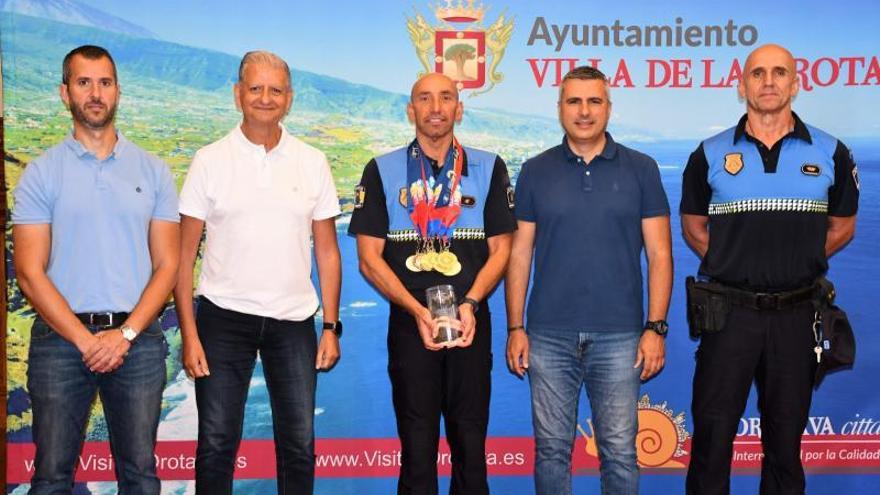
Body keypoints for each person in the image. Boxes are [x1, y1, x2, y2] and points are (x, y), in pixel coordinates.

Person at [681, 44, 859, 495]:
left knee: (785, 443)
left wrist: (796, 262)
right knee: (712, 441)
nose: (768, 82)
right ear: (742, 86)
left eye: (779, 72)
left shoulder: (832, 152)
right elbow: (693, 227)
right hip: (729, 316)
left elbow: (842, 227)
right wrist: (734, 265)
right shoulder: (709, 153)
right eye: (757, 73)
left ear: (795, 84)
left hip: (797, 317)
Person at [12, 45, 180, 495]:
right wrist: (86, 341)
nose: (95, 93)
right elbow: (29, 272)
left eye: (104, 83)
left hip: (137, 342)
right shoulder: (41, 174)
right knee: (50, 479)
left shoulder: (155, 170)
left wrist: (124, 335)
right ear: (64, 93)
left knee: (141, 478)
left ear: (118, 92)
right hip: (60, 344)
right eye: (83, 83)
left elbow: (168, 265)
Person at [174, 50, 342, 495]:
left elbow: (327, 252)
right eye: (255, 88)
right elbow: (183, 254)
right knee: (215, 444)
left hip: (294, 323)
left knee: (300, 446)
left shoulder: (313, 161)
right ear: (237, 95)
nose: (265, 98)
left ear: (289, 98)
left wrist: (330, 326)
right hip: (222, 320)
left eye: (275, 90)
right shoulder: (209, 160)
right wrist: (189, 334)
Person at [505, 65, 672, 495]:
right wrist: (515, 327)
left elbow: (660, 254)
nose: (584, 111)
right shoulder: (535, 171)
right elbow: (519, 253)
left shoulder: (642, 168)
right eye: (574, 101)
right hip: (547, 335)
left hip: (621, 336)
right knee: (551, 451)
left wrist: (655, 328)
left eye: (594, 101)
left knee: (618, 452)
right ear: (560, 108)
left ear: (608, 108)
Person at [348, 72, 515, 495]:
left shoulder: (490, 167)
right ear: (411, 110)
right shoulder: (382, 170)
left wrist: (472, 303)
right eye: (425, 98)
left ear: (459, 109)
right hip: (411, 324)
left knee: (471, 451)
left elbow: (502, 250)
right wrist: (417, 310)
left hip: (470, 323)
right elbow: (368, 259)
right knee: (417, 453)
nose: (436, 107)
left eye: (446, 98)